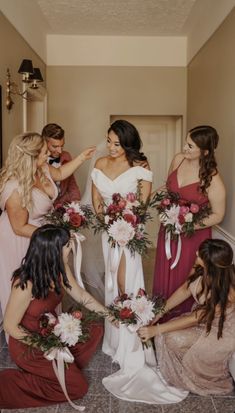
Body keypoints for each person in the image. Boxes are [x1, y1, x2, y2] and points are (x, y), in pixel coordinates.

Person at [0, 224, 111, 409]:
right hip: (29, 344)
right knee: (78, 388)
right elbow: (11, 327)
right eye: (67, 245)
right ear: (53, 251)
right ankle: (20, 381)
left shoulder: (60, 268)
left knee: (95, 328)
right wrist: (47, 346)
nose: (70, 247)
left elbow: (81, 296)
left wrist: (110, 315)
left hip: (52, 331)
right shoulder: (25, 284)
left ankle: (60, 370)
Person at [0, 132, 95, 318]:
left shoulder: (42, 168)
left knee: (47, 283)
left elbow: (60, 173)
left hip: (42, 234)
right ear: (30, 157)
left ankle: (48, 328)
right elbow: (19, 227)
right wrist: (56, 236)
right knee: (28, 287)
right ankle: (25, 334)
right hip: (21, 238)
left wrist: (82, 157)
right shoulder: (13, 188)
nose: (48, 155)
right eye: (44, 152)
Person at [139, 238, 235, 396]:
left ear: (210, 265)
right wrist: (159, 312)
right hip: (203, 319)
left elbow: (196, 318)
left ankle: (190, 377)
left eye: (200, 255)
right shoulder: (199, 268)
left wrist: (155, 329)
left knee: (169, 337)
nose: (196, 255)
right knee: (163, 335)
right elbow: (185, 289)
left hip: (222, 330)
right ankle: (174, 372)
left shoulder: (228, 291)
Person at [91, 119, 153, 359]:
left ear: (128, 144)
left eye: (117, 143)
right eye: (109, 141)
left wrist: (125, 223)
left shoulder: (140, 166)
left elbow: (142, 204)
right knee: (112, 280)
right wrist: (107, 221)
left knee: (127, 280)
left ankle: (132, 341)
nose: (111, 147)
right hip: (109, 231)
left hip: (131, 231)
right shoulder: (100, 163)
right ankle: (115, 341)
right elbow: (97, 201)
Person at [152, 125, 226, 317]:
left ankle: (178, 321)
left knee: (185, 277)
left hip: (192, 235)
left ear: (205, 151)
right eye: (186, 143)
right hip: (169, 229)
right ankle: (158, 318)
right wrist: (149, 199)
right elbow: (168, 188)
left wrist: (188, 225)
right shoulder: (178, 159)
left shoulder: (212, 178)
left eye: (190, 146)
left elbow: (218, 215)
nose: (185, 148)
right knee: (164, 271)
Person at [42, 123, 81, 206]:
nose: (59, 151)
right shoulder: (38, 160)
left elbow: (71, 183)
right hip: (44, 206)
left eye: (62, 146)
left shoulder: (66, 156)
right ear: (44, 143)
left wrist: (76, 201)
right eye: (55, 146)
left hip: (63, 205)